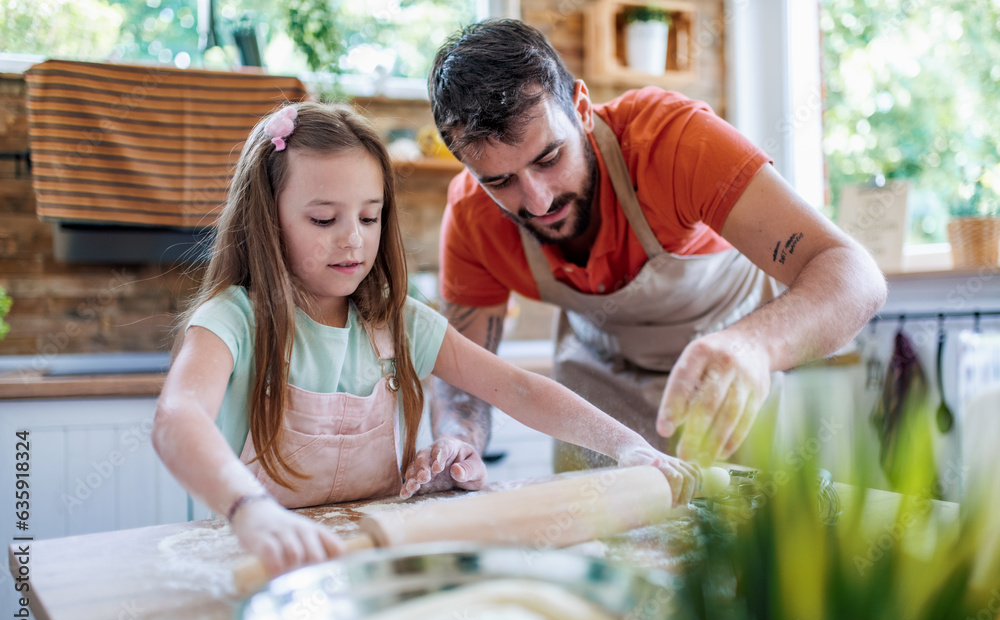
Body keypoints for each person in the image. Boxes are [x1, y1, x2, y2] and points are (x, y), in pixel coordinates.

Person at [151, 101, 698, 576]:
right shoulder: (233, 320)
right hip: (260, 561)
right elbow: (178, 419)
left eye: (369, 218)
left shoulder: (396, 319)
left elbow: (519, 389)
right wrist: (251, 510)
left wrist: (628, 445)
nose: (352, 240)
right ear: (268, 221)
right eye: (323, 219)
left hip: (374, 561)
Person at [419, 19, 887, 477]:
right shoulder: (470, 217)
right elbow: (463, 378)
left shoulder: (673, 141)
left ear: (581, 108)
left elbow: (854, 275)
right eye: (500, 181)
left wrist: (754, 346)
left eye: (549, 158)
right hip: (595, 386)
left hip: (726, 374)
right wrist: (457, 439)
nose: (538, 200)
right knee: (601, 548)